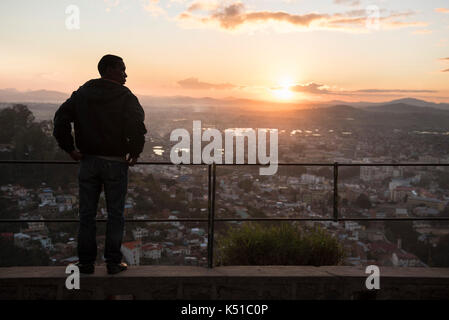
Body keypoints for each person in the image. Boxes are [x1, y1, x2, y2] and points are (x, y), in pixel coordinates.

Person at [53, 54, 147, 274]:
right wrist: (134, 152)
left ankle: (86, 263)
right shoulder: (125, 96)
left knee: (86, 214)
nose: (125, 74)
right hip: (115, 162)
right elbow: (136, 125)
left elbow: (60, 120)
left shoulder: (82, 94)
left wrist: (70, 149)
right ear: (108, 70)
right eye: (122, 69)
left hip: (88, 161)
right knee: (115, 214)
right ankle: (113, 263)